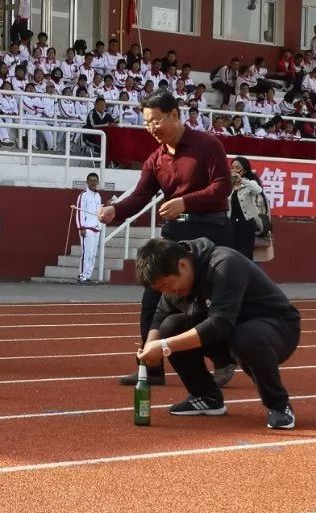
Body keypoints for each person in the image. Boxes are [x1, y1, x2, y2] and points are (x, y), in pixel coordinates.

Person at [98, 91, 234, 387]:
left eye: (156, 121)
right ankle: (152, 365)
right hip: (174, 236)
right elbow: (139, 197)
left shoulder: (207, 145)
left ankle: (223, 359)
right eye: (147, 124)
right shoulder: (155, 159)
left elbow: (223, 187)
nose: (152, 129)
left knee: (203, 306)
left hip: (209, 233)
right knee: (152, 298)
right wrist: (114, 210)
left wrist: (186, 203)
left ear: (174, 115)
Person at [134, 238, 300, 428]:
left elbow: (219, 324)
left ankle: (279, 405)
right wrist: (150, 346)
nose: (168, 291)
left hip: (277, 330)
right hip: (229, 333)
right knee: (170, 326)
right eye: (161, 289)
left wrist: (164, 346)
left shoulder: (224, 264)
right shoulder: (176, 277)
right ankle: (206, 397)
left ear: (182, 265)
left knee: (246, 338)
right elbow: (161, 314)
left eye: (166, 285)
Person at [229, 157, 271, 261]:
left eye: (237, 167)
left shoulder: (249, 183)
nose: (234, 170)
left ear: (244, 170)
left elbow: (258, 190)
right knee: (231, 254)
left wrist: (241, 180)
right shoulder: (228, 185)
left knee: (245, 256)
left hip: (246, 223)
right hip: (231, 224)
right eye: (232, 167)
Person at [75, 172, 102, 285]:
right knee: (87, 253)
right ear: (87, 182)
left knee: (92, 254)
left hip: (96, 227)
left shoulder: (98, 195)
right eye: (91, 180)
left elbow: (99, 211)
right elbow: (79, 211)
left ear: (97, 182)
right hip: (87, 227)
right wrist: (81, 227)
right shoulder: (83, 195)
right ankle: (82, 276)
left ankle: (88, 276)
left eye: (95, 181)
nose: (93, 183)